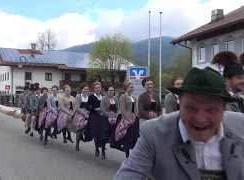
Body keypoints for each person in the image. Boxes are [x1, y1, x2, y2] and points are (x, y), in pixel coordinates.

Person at [113, 67, 244, 180]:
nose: (200, 119)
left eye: (212, 110)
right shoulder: (154, 133)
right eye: (191, 108)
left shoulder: (241, 126)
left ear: (224, 107)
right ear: (180, 102)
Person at [110, 80, 139, 158]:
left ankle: (132, 155)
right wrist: (129, 120)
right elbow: (123, 109)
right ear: (126, 88)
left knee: (133, 136)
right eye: (130, 87)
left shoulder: (134, 98)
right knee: (125, 135)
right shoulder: (123, 97)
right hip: (125, 117)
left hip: (134, 118)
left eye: (133, 87)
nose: (132, 89)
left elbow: (136, 110)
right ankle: (127, 155)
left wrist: (137, 117)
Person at [100, 85, 119, 159]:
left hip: (114, 117)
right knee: (104, 133)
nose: (111, 92)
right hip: (106, 116)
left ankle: (114, 143)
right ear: (107, 91)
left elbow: (118, 109)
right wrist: (110, 117)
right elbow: (103, 109)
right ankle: (103, 150)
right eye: (110, 90)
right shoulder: (104, 99)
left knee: (116, 130)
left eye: (112, 90)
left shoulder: (116, 99)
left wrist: (115, 116)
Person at [87, 82, 104, 157]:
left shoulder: (103, 97)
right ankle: (97, 148)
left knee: (104, 132)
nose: (98, 89)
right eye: (96, 88)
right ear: (94, 89)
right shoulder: (91, 97)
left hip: (102, 115)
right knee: (96, 132)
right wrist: (95, 109)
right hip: (94, 116)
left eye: (99, 88)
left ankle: (103, 150)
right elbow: (88, 107)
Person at [73, 83, 90, 151]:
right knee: (80, 125)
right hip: (80, 113)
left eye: (87, 89)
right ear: (82, 89)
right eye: (84, 89)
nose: (86, 90)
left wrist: (89, 112)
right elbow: (77, 108)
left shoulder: (88, 97)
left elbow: (90, 107)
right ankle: (77, 144)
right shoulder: (78, 96)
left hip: (87, 113)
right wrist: (85, 114)